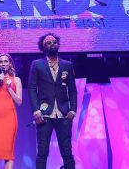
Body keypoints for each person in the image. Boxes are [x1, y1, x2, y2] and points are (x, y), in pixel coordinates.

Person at [28, 33, 77, 169]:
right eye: (48, 42)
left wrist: (73, 109)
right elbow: (32, 88)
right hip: (44, 114)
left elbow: (72, 90)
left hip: (64, 114)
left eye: (54, 41)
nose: (52, 43)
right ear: (43, 46)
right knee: (42, 153)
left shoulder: (67, 65)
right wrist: (36, 110)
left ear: (58, 44)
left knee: (67, 152)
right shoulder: (37, 64)